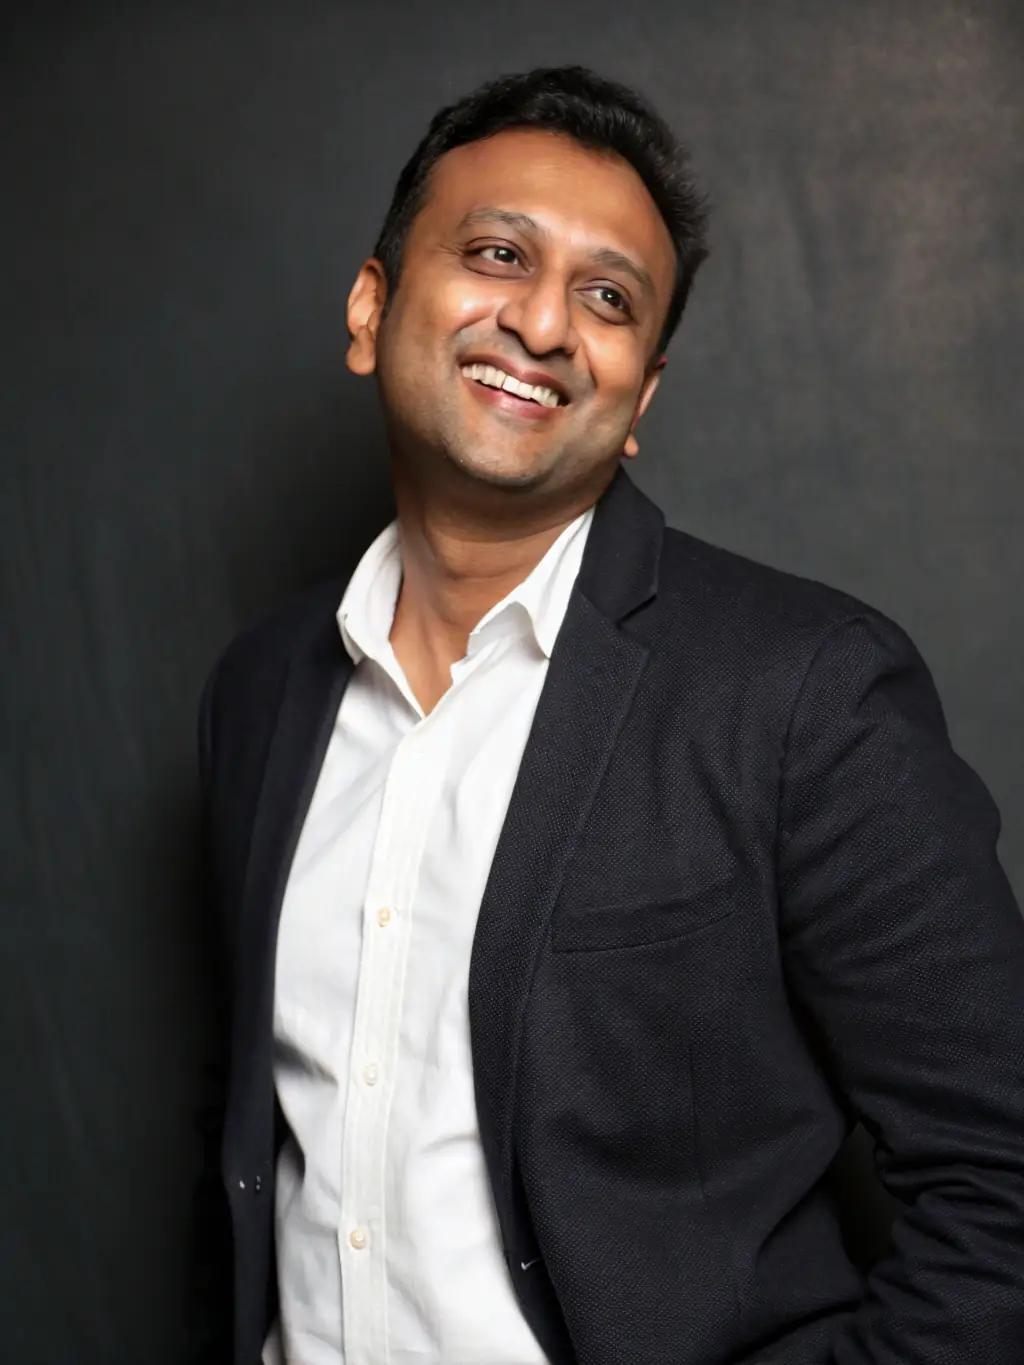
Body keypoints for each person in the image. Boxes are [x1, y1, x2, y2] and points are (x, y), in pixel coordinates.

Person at [186, 64, 1024, 1365]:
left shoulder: (806, 693)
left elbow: (1003, 1183)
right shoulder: (259, 694)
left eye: (608, 297)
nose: (543, 322)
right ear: (371, 307)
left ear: (640, 398)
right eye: (497, 252)